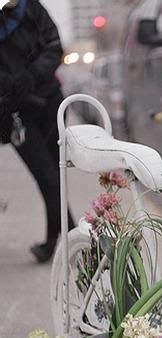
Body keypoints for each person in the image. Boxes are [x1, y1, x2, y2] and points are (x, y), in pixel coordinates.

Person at [0, 0, 74, 262]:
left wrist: (30, 76)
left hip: (50, 103)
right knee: (48, 176)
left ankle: (64, 239)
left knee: (54, 175)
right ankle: (66, 238)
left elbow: (54, 46)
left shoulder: (29, 7)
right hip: (15, 114)